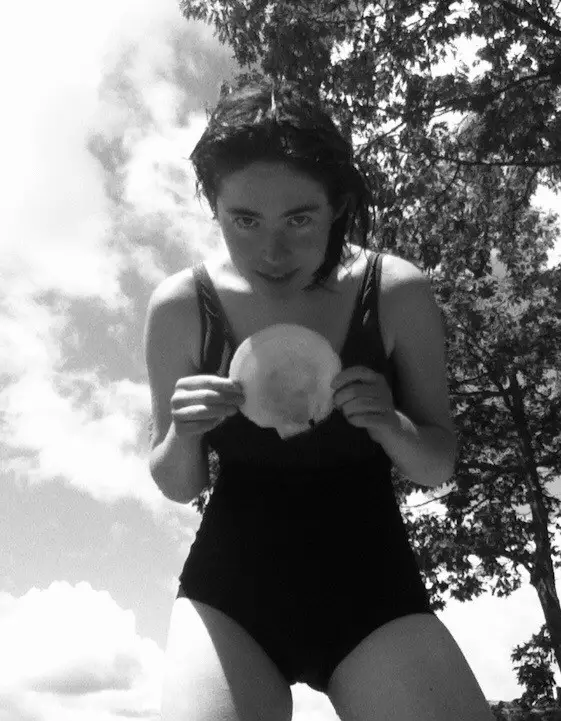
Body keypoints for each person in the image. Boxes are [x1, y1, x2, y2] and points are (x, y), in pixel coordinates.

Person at [144, 76, 495, 721]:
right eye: (244, 221)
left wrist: (390, 424)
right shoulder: (181, 307)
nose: (272, 252)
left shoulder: (395, 292)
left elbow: (437, 464)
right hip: (230, 594)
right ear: (214, 208)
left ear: (337, 205)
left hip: (373, 589)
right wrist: (182, 432)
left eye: (300, 218)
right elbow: (176, 483)